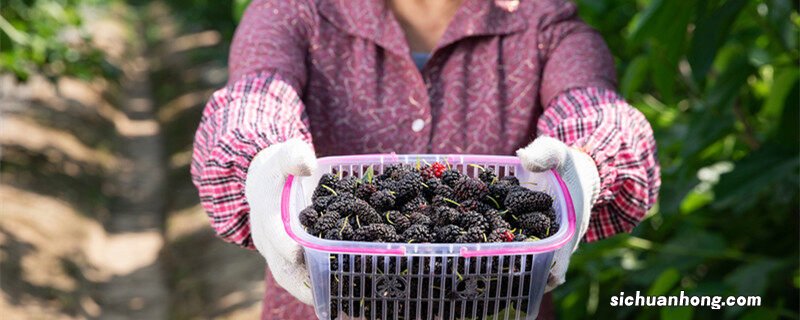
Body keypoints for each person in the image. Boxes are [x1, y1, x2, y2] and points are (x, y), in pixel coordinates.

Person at [191, 0, 661, 318]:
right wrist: (258, 161)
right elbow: (255, 97)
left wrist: (588, 166)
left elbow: (591, 105)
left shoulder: (545, 25)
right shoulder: (294, 12)